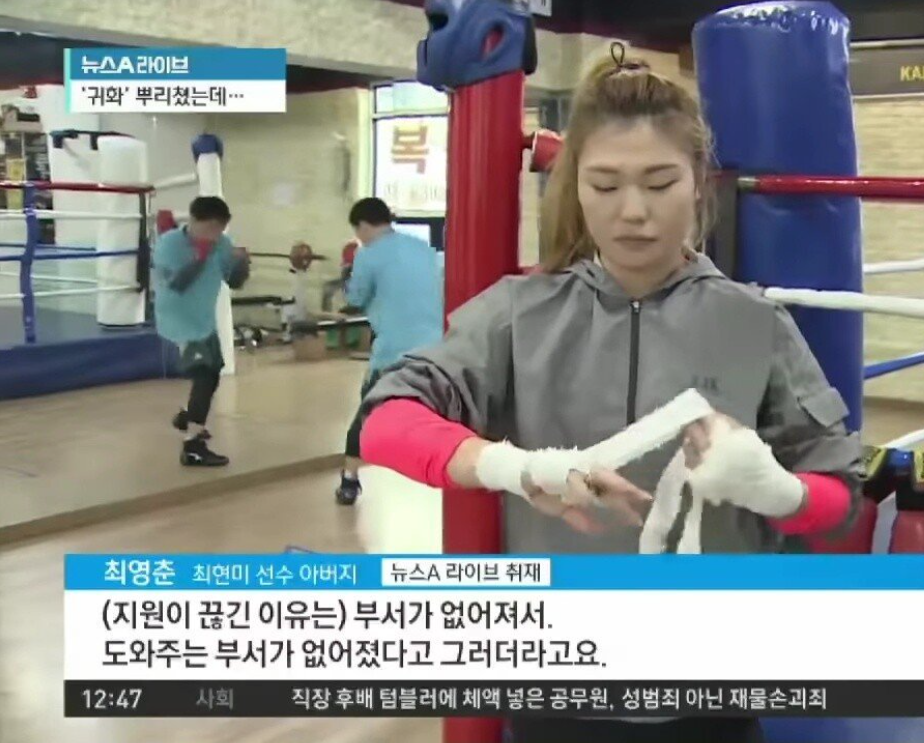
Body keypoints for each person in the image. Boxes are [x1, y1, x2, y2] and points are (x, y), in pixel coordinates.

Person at [356, 48, 862, 742]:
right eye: (604, 185)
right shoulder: (519, 314)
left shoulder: (753, 322)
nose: (633, 212)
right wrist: (521, 467)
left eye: (660, 183)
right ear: (576, 188)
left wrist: (781, 492)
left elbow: (841, 495)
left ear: (698, 183)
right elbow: (384, 420)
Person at [335, 197, 445, 505]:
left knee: (366, 414)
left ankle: (349, 480)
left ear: (362, 226)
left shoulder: (367, 255)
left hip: (393, 351)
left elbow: (355, 298)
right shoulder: (423, 248)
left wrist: (347, 272)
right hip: (437, 348)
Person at [153, 195, 249, 467]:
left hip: (204, 320)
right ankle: (193, 446)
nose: (215, 234)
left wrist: (241, 264)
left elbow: (234, 282)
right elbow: (178, 284)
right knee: (205, 376)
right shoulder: (169, 244)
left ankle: (188, 416)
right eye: (210, 228)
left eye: (220, 229)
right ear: (194, 221)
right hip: (178, 321)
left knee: (214, 372)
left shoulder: (222, 243)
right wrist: (201, 257)